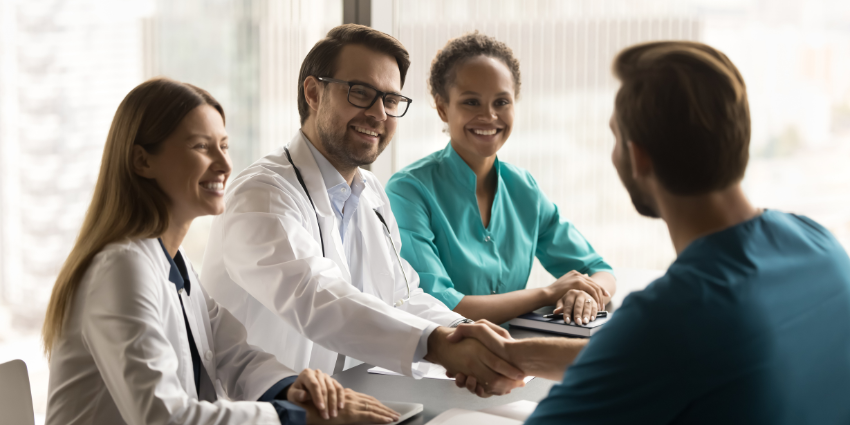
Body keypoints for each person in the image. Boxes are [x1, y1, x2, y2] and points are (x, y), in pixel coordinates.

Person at [447, 41, 850, 422]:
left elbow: (652, 348)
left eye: (615, 137)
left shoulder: (673, 316)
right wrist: (515, 355)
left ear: (637, 157)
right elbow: (642, 357)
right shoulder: (820, 244)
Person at [42, 78, 399, 425]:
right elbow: (164, 417)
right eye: (201, 147)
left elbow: (234, 355)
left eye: (224, 146)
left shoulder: (174, 265)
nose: (225, 165)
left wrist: (295, 389)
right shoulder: (121, 269)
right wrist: (295, 417)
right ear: (142, 161)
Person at [200, 24, 524, 395]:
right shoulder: (262, 194)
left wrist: (464, 337)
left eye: (390, 100)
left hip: (345, 403)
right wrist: (440, 346)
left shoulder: (370, 191)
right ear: (313, 93)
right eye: (361, 93)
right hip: (263, 409)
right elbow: (315, 297)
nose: (379, 114)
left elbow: (402, 297)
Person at [385, 32, 616, 326]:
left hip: (517, 359)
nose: (489, 115)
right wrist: (547, 293)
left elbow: (599, 270)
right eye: (471, 102)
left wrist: (586, 295)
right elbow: (442, 304)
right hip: (439, 364)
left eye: (502, 102)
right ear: (443, 108)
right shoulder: (408, 191)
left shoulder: (524, 188)